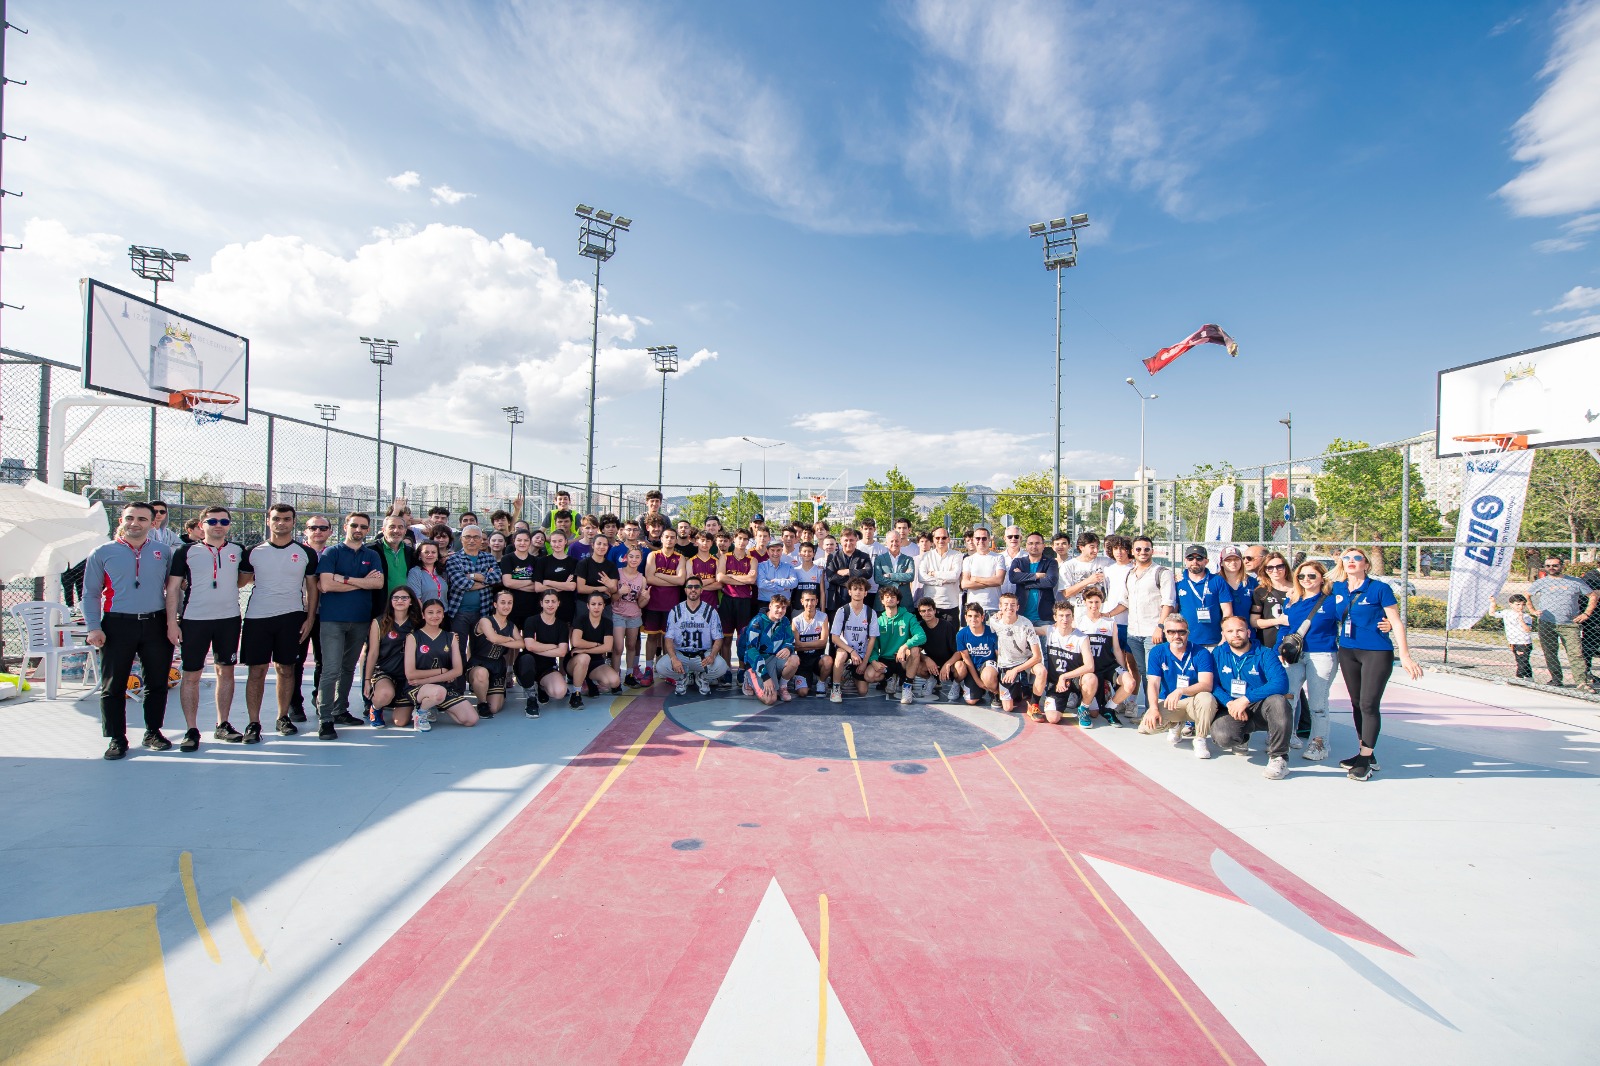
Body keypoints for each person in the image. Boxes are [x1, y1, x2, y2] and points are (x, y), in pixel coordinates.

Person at [84, 502, 177, 759]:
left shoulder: (163, 552)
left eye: (142, 519)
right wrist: (93, 627)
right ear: (121, 520)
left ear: (153, 523)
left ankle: (153, 732)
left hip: (155, 623)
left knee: (157, 683)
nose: (135, 523)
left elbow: (173, 590)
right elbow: (90, 593)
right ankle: (117, 738)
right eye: (130, 518)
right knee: (113, 685)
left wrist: (173, 622)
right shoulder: (102, 552)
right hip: (117, 624)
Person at [1332, 547, 1423, 781]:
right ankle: (1366, 752)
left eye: (1357, 558)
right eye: (1347, 558)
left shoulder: (1379, 588)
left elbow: (1396, 622)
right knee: (1356, 703)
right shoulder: (1337, 588)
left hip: (1376, 652)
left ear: (1366, 564)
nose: (1351, 561)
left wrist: (1405, 655)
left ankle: (1365, 761)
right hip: (1347, 651)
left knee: (1368, 704)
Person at [164, 506, 249, 751]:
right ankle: (191, 730)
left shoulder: (238, 550)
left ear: (229, 525)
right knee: (191, 675)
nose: (218, 525)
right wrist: (172, 622)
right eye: (212, 521)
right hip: (194, 620)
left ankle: (223, 724)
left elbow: (243, 579)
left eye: (224, 521)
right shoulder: (186, 551)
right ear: (201, 525)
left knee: (226, 672)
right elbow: (173, 588)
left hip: (229, 619)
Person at [243, 503, 320, 739]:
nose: (281, 523)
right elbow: (238, 581)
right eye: (276, 518)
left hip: (291, 617)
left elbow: (312, 588)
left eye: (286, 519)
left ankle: (283, 717)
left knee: (286, 669)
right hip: (257, 617)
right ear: (268, 521)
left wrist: (309, 618)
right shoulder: (253, 552)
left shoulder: (306, 553)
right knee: (257, 671)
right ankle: (253, 722)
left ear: (293, 522)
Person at [315, 513, 385, 739]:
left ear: (368, 530)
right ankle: (325, 718)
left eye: (363, 526)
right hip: (333, 619)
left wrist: (344, 579)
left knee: (348, 667)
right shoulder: (332, 552)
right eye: (354, 525)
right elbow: (326, 585)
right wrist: (363, 583)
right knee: (331, 669)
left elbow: (378, 583)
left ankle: (340, 710)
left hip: (360, 619)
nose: (358, 529)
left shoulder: (372, 554)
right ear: (345, 526)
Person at [1209, 616, 1294, 779]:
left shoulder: (1265, 653)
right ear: (1223, 635)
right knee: (1222, 737)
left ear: (1248, 632)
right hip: (1232, 707)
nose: (1235, 634)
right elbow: (1213, 684)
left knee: (1279, 702)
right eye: (1230, 631)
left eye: (1240, 630)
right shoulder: (1218, 654)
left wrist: (1246, 699)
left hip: (1260, 706)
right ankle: (1242, 737)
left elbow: (1281, 683)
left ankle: (1279, 757)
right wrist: (1230, 703)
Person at [1283, 559, 1340, 762]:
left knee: (1318, 703)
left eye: (1311, 575)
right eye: (1301, 576)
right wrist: (1280, 649)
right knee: (1288, 698)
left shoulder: (1332, 601)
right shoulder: (1293, 600)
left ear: (1322, 578)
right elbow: (1286, 626)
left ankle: (1319, 743)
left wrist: (1385, 623)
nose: (1306, 579)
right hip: (1295, 655)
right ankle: (1285, 736)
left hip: (1321, 655)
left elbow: (1352, 616)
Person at [1139, 614, 1220, 755]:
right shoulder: (1157, 652)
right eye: (1171, 632)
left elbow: (1206, 684)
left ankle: (1200, 739)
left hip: (1194, 702)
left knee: (1207, 698)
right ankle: (1175, 723)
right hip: (1170, 702)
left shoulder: (1201, 653)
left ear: (1188, 633)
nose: (1176, 636)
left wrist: (1181, 691)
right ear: (1165, 633)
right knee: (1147, 727)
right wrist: (1153, 708)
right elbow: (1153, 683)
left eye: (1181, 632)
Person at [1527, 555, 1598, 690]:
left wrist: (1586, 613)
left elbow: (1592, 595)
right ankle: (1556, 679)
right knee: (1550, 652)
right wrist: (1532, 610)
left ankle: (1582, 683)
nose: (1551, 568)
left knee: (1576, 653)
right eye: (1548, 566)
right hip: (1547, 623)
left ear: (1562, 566)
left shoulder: (1575, 581)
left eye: (1555, 565)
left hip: (1569, 624)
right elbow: (1527, 595)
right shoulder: (1541, 582)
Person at [288, 514, 334, 724]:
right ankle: (294, 703)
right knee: (295, 661)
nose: (318, 532)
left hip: (327, 614)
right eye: (313, 528)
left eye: (323, 528)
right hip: (299, 613)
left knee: (324, 661)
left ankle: (320, 699)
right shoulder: (296, 552)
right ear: (305, 530)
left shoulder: (333, 554)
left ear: (330, 532)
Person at [405, 599, 477, 729]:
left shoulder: (451, 637)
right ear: (423, 615)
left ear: (443, 615)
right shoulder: (413, 637)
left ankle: (436, 704)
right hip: (417, 686)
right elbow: (410, 674)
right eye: (430, 612)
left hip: (439, 685)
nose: (435, 616)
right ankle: (420, 713)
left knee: (471, 719)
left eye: (439, 612)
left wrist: (428, 679)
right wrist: (442, 671)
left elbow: (457, 671)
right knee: (439, 692)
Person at [1076, 587, 1137, 725]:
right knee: (1094, 713)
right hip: (1090, 669)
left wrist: (1123, 670)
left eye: (1097, 602)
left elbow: (1116, 649)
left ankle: (1109, 708)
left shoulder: (1110, 622)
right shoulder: (1079, 622)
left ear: (1101, 602)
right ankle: (1084, 704)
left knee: (1130, 683)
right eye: (1090, 602)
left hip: (1108, 665)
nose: (1094, 605)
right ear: (1085, 602)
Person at [657, 577, 728, 695]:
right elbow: (668, 638)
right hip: (681, 655)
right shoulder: (676, 611)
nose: (693, 589)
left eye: (696, 587)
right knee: (661, 666)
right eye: (690, 587)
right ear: (685, 590)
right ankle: (682, 677)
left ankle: (702, 677)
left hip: (702, 656)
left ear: (701, 590)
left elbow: (718, 638)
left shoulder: (710, 611)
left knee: (722, 667)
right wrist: (674, 659)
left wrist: (712, 655)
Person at [1123, 535, 1174, 691]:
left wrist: (1160, 627)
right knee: (1143, 672)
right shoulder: (1130, 574)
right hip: (1133, 633)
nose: (1142, 552)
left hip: (1153, 633)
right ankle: (1150, 705)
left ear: (1152, 551)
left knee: (1154, 673)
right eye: (1138, 549)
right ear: (1133, 551)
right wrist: (1106, 615)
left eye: (1146, 549)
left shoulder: (1162, 572)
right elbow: (1125, 602)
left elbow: (1168, 602)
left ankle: (1156, 705)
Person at [365, 587, 421, 727]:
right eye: (395, 598)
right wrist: (367, 680)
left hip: (408, 676)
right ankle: (375, 708)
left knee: (400, 722)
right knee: (385, 694)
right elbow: (372, 653)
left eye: (404, 598)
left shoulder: (418, 623)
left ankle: (413, 706)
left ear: (411, 601)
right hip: (385, 672)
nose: (399, 601)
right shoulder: (379, 622)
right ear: (390, 601)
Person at [465, 588, 521, 718]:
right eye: (503, 602)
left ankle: (496, 691)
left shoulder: (511, 626)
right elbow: (492, 638)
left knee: (494, 708)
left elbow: (521, 643)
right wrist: (509, 639)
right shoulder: (486, 621)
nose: (506, 606)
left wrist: (502, 640)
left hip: (497, 665)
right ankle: (481, 702)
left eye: (509, 603)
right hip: (479, 662)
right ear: (495, 604)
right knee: (481, 673)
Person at [1039, 600, 1096, 724]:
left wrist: (1064, 676)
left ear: (1073, 617)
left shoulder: (1081, 638)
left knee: (1091, 679)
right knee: (1053, 719)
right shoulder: (1049, 631)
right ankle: (1068, 699)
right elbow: (1027, 628)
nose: (1065, 619)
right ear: (1055, 617)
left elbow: (1090, 666)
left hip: (1075, 680)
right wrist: (1003, 616)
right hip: (1056, 683)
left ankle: (1084, 708)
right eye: (1061, 615)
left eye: (1068, 615)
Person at [828, 577, 883, 702]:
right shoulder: (842, 611)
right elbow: (834, 638)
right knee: (840, 655)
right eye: (855, 589)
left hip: (862, 654)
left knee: (863, 691)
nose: (858, 592)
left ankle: (850, 675)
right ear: (849, 592)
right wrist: (851, 651)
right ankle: (836, 688)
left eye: (861, 589)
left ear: (865, 593)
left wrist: (864, 663)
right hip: (847, 650)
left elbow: (872, 640)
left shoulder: (871, 613)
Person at [516, 590, 571, 714]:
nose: (550, 604)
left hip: (547, 667)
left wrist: (537, 648)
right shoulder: (531, 621)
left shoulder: (562, 625)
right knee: (527, 659)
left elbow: (562, 652)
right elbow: (529, 646)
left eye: (553, 601)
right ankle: (531, 698)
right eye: (547, 601)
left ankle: (541, 686)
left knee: (559, 692)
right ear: (541, 603)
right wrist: (553, 646)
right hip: (527, 664)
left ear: (558, 603)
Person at [445, 525, 503, 643]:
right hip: (459, 612)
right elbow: (461, 583)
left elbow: (497, 577)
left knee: (480, 648)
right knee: (458, 647)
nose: (472, 540)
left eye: (476, 537)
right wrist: (484, 580)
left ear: (481, 540)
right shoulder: (453, 559)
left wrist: (471, 576)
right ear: (461, 539)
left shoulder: (489, 558)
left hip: (483, 611)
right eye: (468, 537)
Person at [990, 592, 1044, 716]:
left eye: (1013, 604)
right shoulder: (994, 621)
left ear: (1018, 607)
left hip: (1026, 660)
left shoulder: (1026, 624)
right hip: (1007, 663)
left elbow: (1037, 656)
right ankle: (1016, 690)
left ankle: (1034, 705)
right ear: (1000, 606)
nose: (1009, 607)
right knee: (1008, 708)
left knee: (1042, 671)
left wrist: (1015, 670)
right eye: (1006, 604)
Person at [873, 586, 927, 705]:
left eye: (893, 597)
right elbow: (873, 645)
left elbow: (922, 636)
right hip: (886, 660)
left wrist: (904, 646)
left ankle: (907, 687)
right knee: (869, 675)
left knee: (915, 650)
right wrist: (873, 660)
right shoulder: (878, 621)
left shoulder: (908, 617)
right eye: (886, 597)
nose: (889, 599)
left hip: (902, 660)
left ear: (898, 601)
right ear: (882, 601)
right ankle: (889, 678)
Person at [644, 527, 688, 672]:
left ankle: (666, 669)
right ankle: (649, 668)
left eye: (672, 537)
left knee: (668, 639)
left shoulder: (680, 557)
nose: (669, 540)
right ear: (661, 539)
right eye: (667, 537)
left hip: (671, 605)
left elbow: (681, 581)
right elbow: (649, 578)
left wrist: (660, 575)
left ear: (676, 540)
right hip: (653, 603)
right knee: (652, 637)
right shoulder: (653, 555)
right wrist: (672, 580)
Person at [743, 595, 798, 704]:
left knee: (794, 659)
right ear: (770, 606)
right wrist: (765, 676)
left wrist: (788, 648)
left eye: (783, 607)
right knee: (770, 699)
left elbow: (790, 640)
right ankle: (749, 677)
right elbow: (751, 651)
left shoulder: (785, 621)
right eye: (777, 607)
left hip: (775, 658)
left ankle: (782, 687)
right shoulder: (757, 622)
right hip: (758, 662)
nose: (780, 610)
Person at [569, 590, 622, 704]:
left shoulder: (607, 622)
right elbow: (576, 642)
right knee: (585, 658)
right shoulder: (580, 620)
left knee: (614, 682)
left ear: (604, 606)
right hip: (577, 661)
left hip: (596, 662)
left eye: (599, 604)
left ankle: (589, 681)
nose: (596, 607)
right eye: (593, 604)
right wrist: (597, 644)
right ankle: (576, 694)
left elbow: (607, 647)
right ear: (588, 606)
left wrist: (584, 649)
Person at [716, 528, 758, 670]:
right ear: (734, 539)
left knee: (742, 639)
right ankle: (726, 669)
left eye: (745, 539)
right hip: (728, 600)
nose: (742, 541)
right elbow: (720, 577)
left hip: (744, 602)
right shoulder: (725, 557)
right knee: (726, 638)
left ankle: (741, 670)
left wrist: (731, 576)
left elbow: (751, 580)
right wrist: (743, 579)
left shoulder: (752, 560)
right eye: (739, 538)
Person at [1175, 544, 1231, 648]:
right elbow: (1174, 611)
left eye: (1199, 558)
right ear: (1185, 560)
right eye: (1190, 558)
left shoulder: (1217, 580)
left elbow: (1227, 611)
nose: (1194, 561)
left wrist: (1225, 635)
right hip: (1186, 641)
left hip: (1214, 640)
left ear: (1206, 561)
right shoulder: (1178, 582)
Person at [613, 545, 648, 685]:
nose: (634, 559)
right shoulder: (618, 573)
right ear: (626, 558)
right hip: (618, 613)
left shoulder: (642, 578)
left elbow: (640, 604)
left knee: (631, 645)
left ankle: (629, 674)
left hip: (634, 615)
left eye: (637, 557)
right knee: (618, 647)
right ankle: (615, 676)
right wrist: (619, 592)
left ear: (641, 559)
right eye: (631, 556)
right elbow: (611, 598)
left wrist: (646, 598)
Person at [1006, 531, 1059, 627]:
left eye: (1037, 543)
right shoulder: (1018, 562)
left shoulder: (1051, 562)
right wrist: (1036, 576)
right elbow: (1013, 578)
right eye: (1030, 543)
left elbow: (1050, 582)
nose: (1034, 546)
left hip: (1044, 618)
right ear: (1026, 546)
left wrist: (1023, 580)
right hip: (1021, 617)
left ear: (1043, 546)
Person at [913, 597, 959, 702]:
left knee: (961, 667)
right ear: (920, 613)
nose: (927, 613)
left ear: (935, 611)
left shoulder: (947, 626)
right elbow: (915, 650)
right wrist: (926, 659)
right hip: (932, 665)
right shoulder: (920, 627)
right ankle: (931, 680)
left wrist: (947, 664)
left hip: (949, 663)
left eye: (929, 610)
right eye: (923, 611)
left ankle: (956, 685)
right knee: (913, 662)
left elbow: (958, 652)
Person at [954, 601, 1000, 706]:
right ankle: (978, 689)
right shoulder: (961, 634)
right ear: (965, 618)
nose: (973, 619)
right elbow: (966, 659)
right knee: (971, 701)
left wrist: (999, 678)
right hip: (973, 667)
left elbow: (999, 656)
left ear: (982, 617)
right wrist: (978, 681)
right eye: (970, 616)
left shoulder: (992, 632)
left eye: (976, 616)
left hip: (988, 666)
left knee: (988, 676)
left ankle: (995, 692)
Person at [1250, 551, 1294, 649]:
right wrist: (1279, 621)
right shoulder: (1261, 591)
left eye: (1279, 566)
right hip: (1268, 642)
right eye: (1270, 567)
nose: (1275, 570)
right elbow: (1254, 622)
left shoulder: (1298, 589)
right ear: (1265, 570)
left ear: (1285, 567)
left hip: (1294, 641)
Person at [825, 528, 873, 617]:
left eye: (851, 540)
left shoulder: (864, 556)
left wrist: (849, 572)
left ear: (856, 540)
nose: (848, 543)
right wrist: (856, 578)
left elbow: (868, 572)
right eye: (846, 540)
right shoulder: (832, 557)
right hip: (837, 600)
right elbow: (831, 577)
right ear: (840, 541)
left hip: (858, 602)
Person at [960, 527, 1005, 618]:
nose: (981, 541)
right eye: (978, 538)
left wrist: (975, 579)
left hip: (993, 607)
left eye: (984, 538)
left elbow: (999, 580)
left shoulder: (998, 558)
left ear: (989, 540)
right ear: (973, 540)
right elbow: (965, 584)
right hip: (973, 608)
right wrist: (991, 582)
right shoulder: (968, 560)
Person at [1059, 531, 1112, 609]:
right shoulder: (1068, 566)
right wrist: (1088, 581)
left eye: (1097, 547)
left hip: (1101, 611)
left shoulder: (1106, 562)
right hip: (1078, 610)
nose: (1096, 550)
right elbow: (1066, 593)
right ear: (1081, 547)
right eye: (1092, 547)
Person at [793, 589, 830, 696]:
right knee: (802, 693)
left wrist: (802, 645)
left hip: (818, 658)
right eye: (807, 600)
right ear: (802, 601)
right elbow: (796, 646)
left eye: (813, 600)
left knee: (828, 660)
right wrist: (815, 644)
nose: (810, 603)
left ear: (817, 601)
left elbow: (823, 643)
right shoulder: (796, 620)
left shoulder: (823, 617)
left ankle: (821, 682)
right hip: (803, 661)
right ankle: (804, 678)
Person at [497, 530, 539, 622]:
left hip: (532, 605)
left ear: (530, 542)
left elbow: (537, 587)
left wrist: (515, 584)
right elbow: (507, 583)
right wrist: (530, 581)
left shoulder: (536, 561)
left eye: (526, 540)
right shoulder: (507, 559)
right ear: (514, 541)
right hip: (512, 605)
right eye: (519, 540)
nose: (522, 543)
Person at [873, 530, 917, 614]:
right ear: (886, 543)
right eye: (891, 541)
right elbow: (878, 578)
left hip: (904, 601)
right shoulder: (879, 559)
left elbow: (910, 576)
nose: (894, 543)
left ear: (901, 542)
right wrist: (898, 583)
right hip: (884, 602)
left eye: (897, 541)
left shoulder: (908, 559)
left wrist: (890, 576)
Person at [1217, 546, 1257, 635]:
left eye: (1236, 559)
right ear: (1221, 563)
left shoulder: (1251, 582)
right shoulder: (1215, 581)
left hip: (1247, 632)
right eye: (1228, 560)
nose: (1233, 562)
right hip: (1221, 633)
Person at [756, 539, 798, 616]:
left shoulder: (788, 567)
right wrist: (782, 588)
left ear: (782, 551)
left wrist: (777, 581)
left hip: (784, 604)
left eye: (778, 550)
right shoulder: (761, 566)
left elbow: (794, 583)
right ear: (767, 551)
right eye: (772, 550)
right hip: (765, 604)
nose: (775, 553)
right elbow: (761, 584)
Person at [577, 532, 620, 606]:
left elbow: (613, 590)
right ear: (593, 545)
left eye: (605, 544)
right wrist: (603, 588)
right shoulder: (583, 564)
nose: (602, 547)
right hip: (585, 604)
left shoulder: (611, 566)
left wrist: (611, 586)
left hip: (604, 605)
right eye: (599, 544)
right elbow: (581, 588)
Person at [1500, 593, 1535, 681]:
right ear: (1510, 604)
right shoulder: (1507, 613)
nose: (1520, 607)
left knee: (1522, 661)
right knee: (1521, 660)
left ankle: (1518, 678)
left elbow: (1527, 629)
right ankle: (1529, 677)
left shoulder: (1526, 616)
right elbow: (1492, 613)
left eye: (1523, 605)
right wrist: (1492, 602)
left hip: (1523, 642)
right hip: (1513, 641)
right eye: (1518, 604)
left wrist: (1521, 620)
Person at [792, 541, 826, 618]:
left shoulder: (819, 570)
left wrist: (823, 611)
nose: (807, 554)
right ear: (799, 553)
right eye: (804, 551)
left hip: (815, 609)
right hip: (798, 609)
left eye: (810, 551)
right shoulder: (795, 570)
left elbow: (822, 592)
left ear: (814, 554)